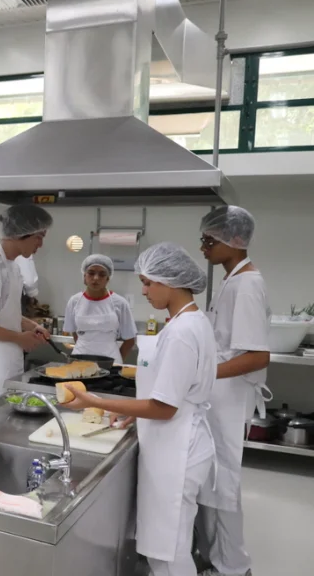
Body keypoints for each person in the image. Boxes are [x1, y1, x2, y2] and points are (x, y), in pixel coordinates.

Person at [62, 242, 216, 576]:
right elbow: (168, 393)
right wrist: (134, 411)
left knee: (168, 551)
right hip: (175, 437)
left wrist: (93, 401)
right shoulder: (187, 322)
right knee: (166, 543)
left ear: (169, 282)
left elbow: (164, 407)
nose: (143, 290)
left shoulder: (182, 332)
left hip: (176, 445)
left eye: (148, 282)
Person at [196, 207, 271, 576]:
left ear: (233, 241)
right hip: (218, 398)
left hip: (229, 398)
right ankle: (216, 558)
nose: (203, 247)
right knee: (214, 482)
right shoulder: (231, 280)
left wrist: (202, 374)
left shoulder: (248, 284)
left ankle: (232, 567)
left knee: (224, 484)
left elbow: (256, 356)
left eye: (210, 240)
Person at [0, 205, 53, 406]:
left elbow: (5, 312)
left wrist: (32, 326)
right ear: (20, 234)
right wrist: (19, 338)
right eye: (39, 237)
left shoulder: (13, 266)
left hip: (9, 359)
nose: (40, 244)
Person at [63, 254, 138, 363]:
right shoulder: (74, 301)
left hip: (111, 360)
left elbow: (130, 339)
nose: (96, 278)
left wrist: (116, 362)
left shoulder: (120, 303)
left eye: (102, 274)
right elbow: (74, 332)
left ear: (108, 279)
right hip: (80, 360)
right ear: (84, 276)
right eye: (91, 273)